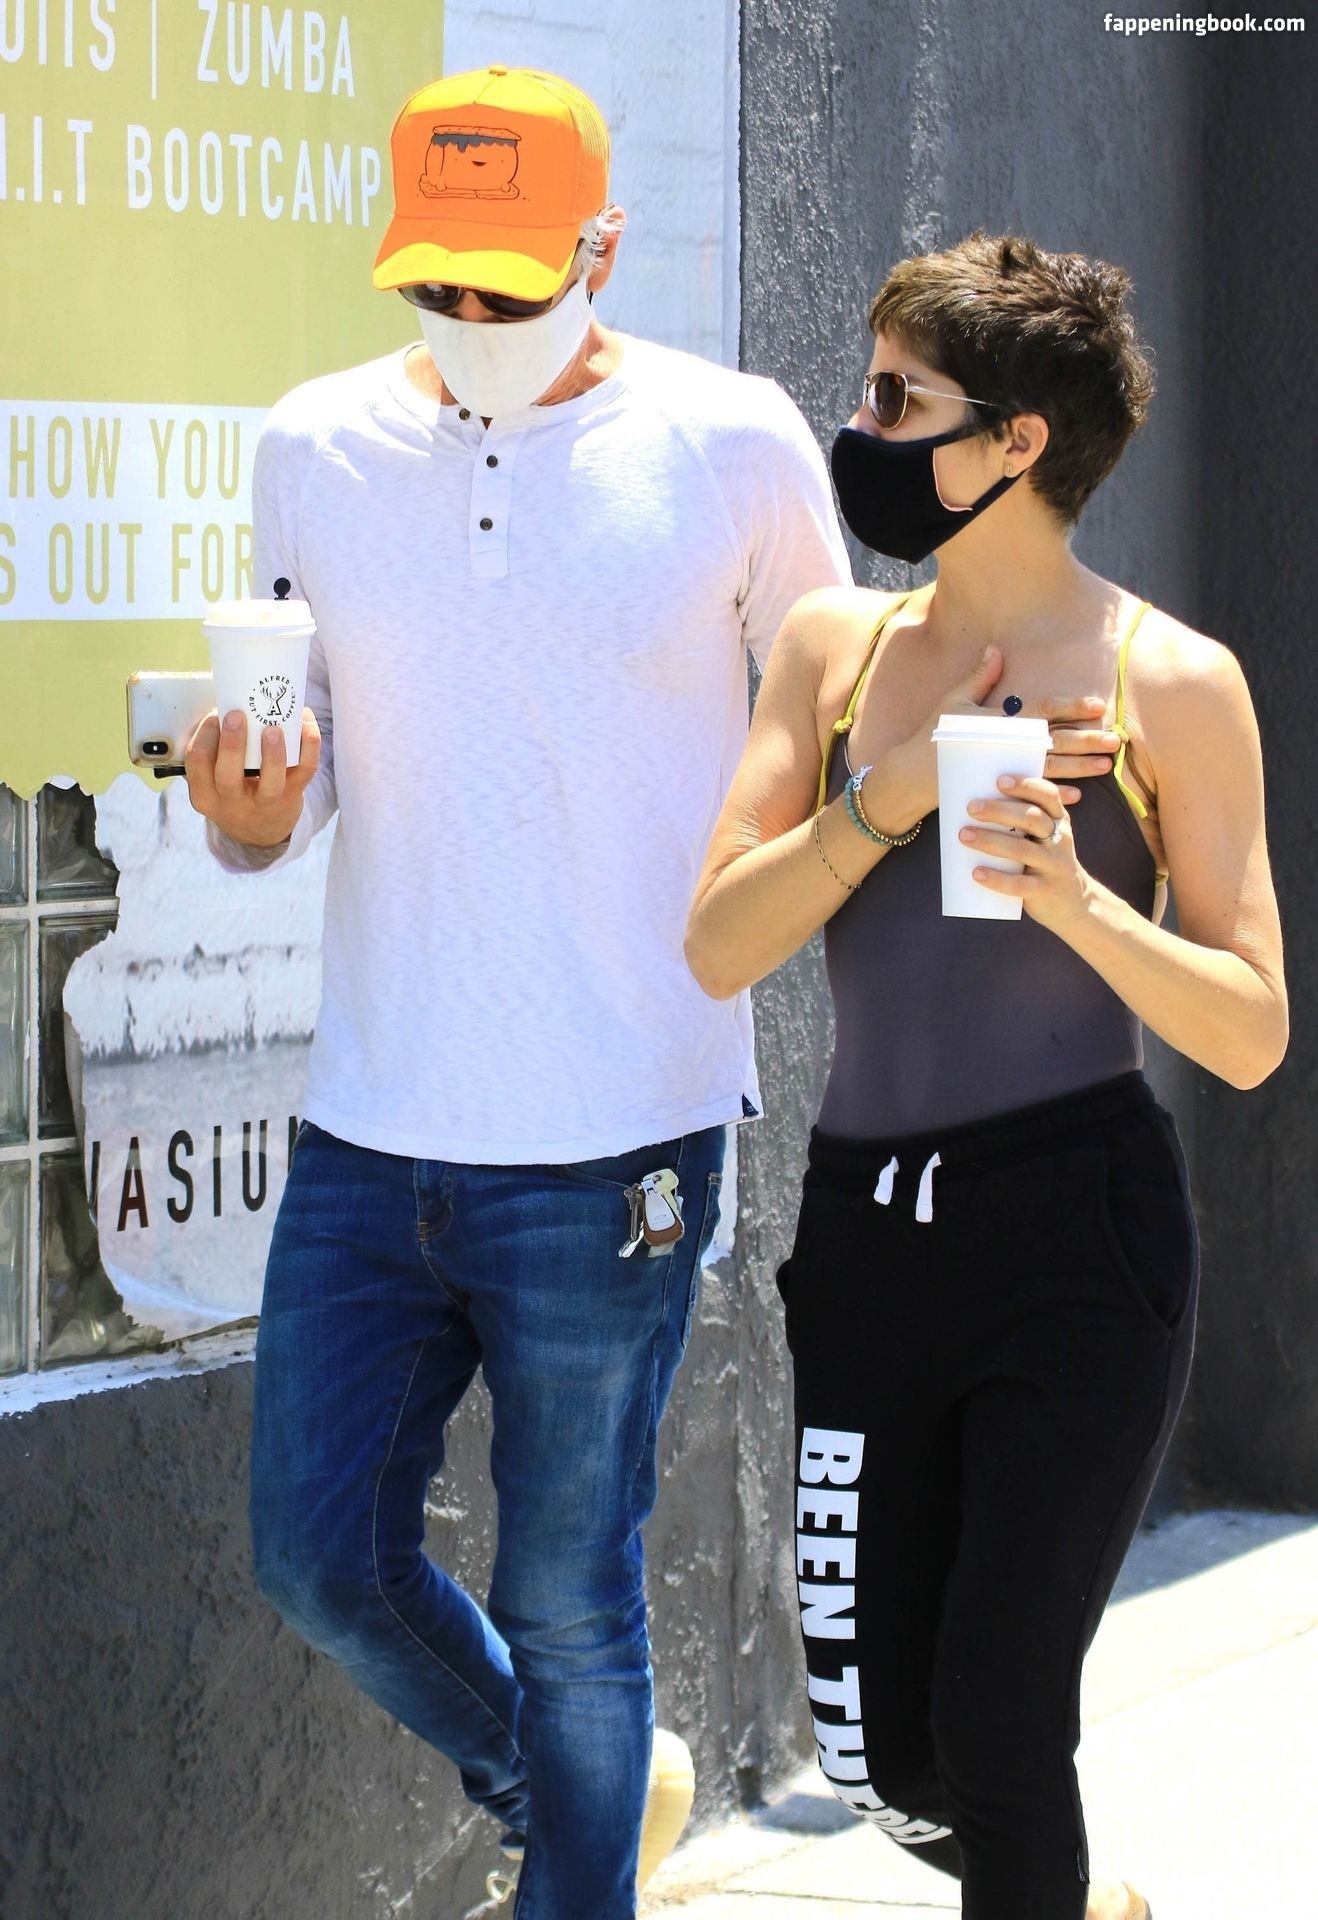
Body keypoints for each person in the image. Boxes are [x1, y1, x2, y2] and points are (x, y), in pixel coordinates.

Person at [182, 64, 850, 1920]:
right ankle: (570, 1802)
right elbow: (288, 784)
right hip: (370, 1122)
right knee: (317, 1559)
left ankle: (573, 1862)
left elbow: (836, 724)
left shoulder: (731, 443)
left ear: (600, 246)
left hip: (617, 1132)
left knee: (572, 1601)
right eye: (436, 283)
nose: (469, 316)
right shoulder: (313, 446)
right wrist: (248, 817)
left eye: (507, 280)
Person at [684, 232, 1287, 1920]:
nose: (858, 426)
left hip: (1074, 1234)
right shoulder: (835, 650)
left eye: (898, 399)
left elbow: (1249, 1029)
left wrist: (1076, 901)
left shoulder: (1170, 682)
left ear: (1015, 441)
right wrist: (888, 794)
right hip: (867, 1234)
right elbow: (718, 945)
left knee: (1002, 1723)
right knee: (881, 1749)